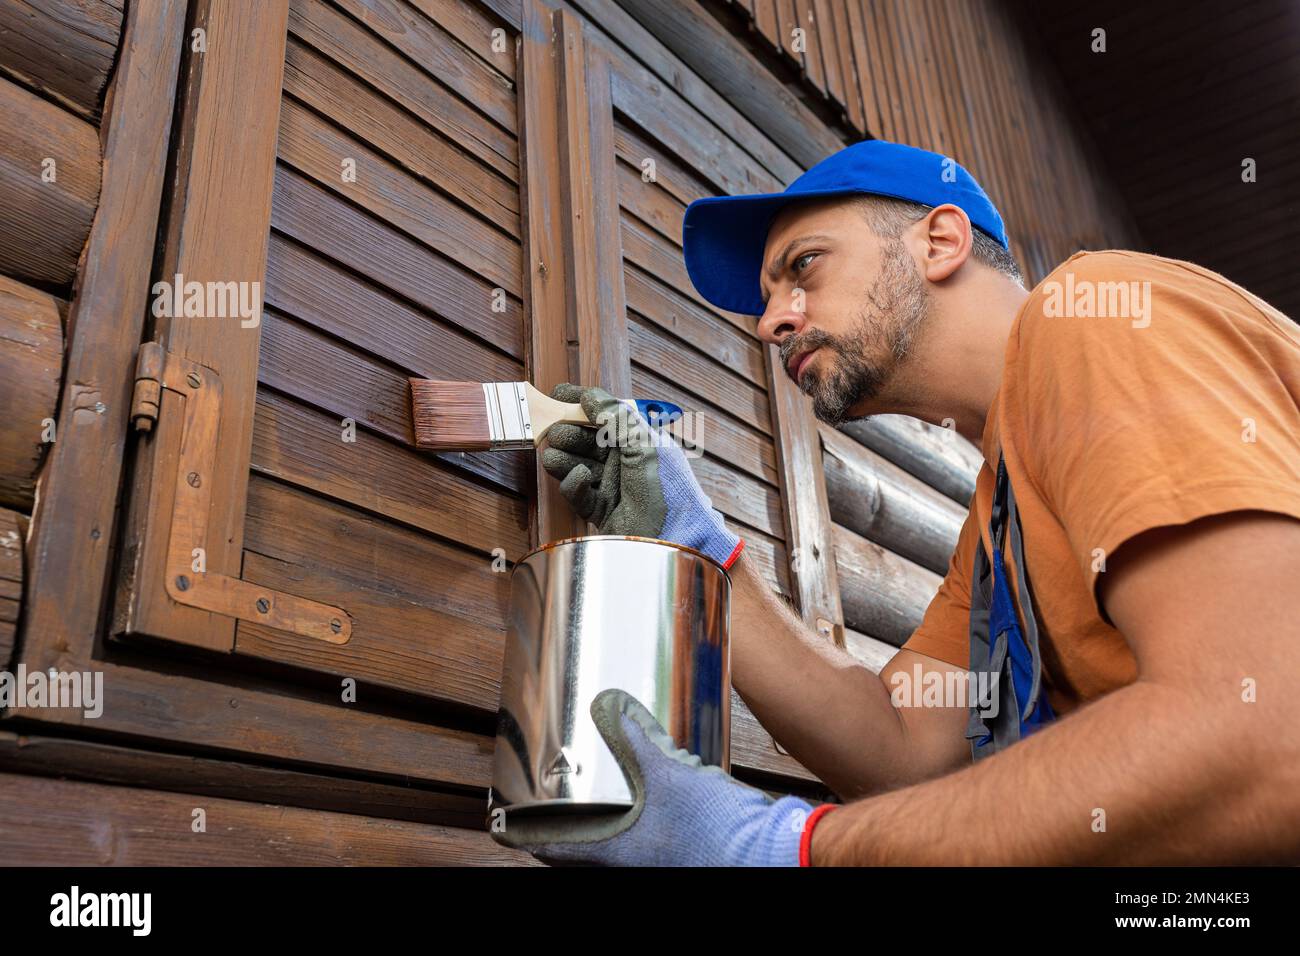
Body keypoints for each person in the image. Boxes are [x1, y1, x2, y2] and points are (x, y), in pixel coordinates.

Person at [493, 139, 1300, 865]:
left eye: (803, 265)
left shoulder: (1094, 317)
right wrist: (700, 549)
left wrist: (782, 851)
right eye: (767, 299)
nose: (773, 320)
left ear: (940, 241)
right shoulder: (999, 525)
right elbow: (902, 747)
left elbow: (1265, 731)